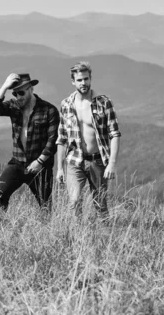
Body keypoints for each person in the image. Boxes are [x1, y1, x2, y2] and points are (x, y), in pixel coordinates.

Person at [56, 61, 121, 221]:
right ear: (73, 82)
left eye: (86, 79)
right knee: (74, 201)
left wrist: (111, 164)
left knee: (100, 204)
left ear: (90, 79)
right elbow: (62, 138)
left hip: (97, 160)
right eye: (79, 80)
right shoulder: (66, 105)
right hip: (75, 160)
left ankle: (106, 239)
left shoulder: (104, 102)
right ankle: (77, 238)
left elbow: (115, 134)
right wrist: (59, 168)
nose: (83, 83)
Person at [0, 73, 60, 211]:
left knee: (45, 206)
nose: (18, 97)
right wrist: (4, 86)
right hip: (18, 162)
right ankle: (1, 227)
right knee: (0, 195)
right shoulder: (13, 106)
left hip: (41, 166)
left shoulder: (49, 110)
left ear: (31, 89)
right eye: (15, 94)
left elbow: (53, 140)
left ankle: (46, 230)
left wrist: (39, 162)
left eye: (21, 93)